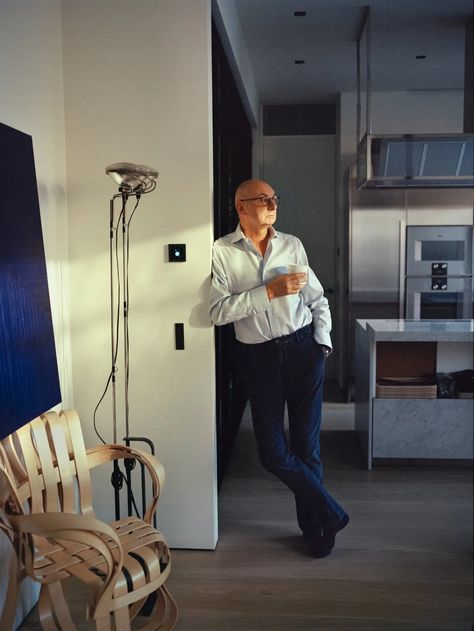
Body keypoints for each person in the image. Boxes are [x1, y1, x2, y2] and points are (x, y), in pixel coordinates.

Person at [209, 178, 349, 558]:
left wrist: (323, 342)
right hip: (258, 359)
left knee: (307, 445)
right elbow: (217, 312)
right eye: (263, 199)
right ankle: (331, 511)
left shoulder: (292, 245)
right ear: (241, 207)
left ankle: (316, 528)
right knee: (272, 452)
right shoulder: (222, 251)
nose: (273, 205)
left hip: (303, 349)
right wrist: (268, 291)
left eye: (275, 199)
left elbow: (316, 298)